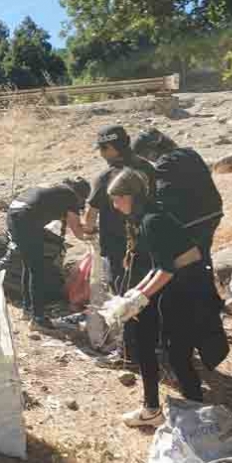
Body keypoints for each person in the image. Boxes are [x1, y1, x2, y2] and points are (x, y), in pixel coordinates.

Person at [106, 169, 228, 427]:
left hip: (189, 289)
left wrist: (139, 298)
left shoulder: (152, 220)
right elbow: (159, 265)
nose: (115, 205)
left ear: (130, 196)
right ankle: (154, 409)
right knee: (162, 349)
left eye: (117, 199)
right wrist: (135, 293)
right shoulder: (148, 216)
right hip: (179, 286)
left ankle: (195, 417)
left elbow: (167, 269)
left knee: (178, 355)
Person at [84, 126, 155, 365]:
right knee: (147, 292)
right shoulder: (147, 168)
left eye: (104, 148)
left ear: (114, 148)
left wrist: (89, 232)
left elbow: (91, 215)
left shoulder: (106, 177)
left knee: (124, 298)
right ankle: (155, 342)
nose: (102, 153)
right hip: (148, 241)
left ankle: (129, 352)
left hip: (118, 248)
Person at [7, 177, 91, 331]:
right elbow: (77, 231)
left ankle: (28, 310)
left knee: (30, 265)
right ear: (80, 195)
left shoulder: (56, 189)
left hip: (14, 216)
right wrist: (92, 236)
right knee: (38, 270)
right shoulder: (70, 195)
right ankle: (38, 318)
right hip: (26, 219)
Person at [132, 128, 223, 265]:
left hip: (192, 220)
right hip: (213, 213)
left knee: (188, 261)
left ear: (151, 150)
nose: (148, 159)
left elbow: (163, 196)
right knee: (203, 255)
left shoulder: (165, 162)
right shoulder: (190, 153)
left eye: (145, 155)